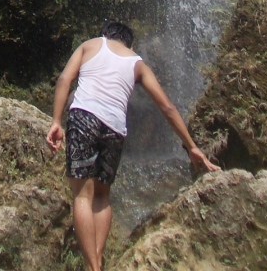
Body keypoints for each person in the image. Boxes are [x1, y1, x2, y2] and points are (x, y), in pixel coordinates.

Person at [45, 19, 220, 271]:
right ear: (130, 44)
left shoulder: (91, 45)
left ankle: (92, 267)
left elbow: (65, 79)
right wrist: (191, 146)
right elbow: (168, 107)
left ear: (105, 35)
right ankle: (98, 262)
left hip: (84, 116)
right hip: (115, 128)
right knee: (102, 196)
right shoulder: (137, 63)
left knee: (82, 196)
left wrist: (56, 121)